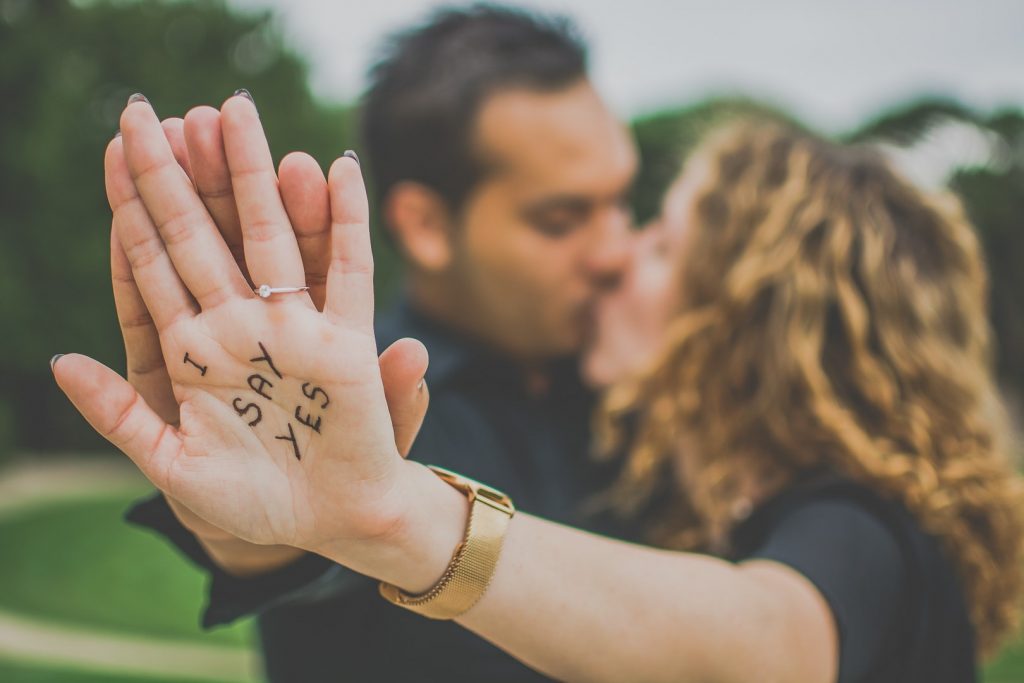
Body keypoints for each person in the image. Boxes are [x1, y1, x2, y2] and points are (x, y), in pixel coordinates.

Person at [56, 94, 1024, 682]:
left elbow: (768, 645)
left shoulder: (870, 530)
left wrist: (397, 513)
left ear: (748, 313)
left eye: (657, 240)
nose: (614, 258)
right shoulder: (700, 502)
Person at [113, 6, 637, 681]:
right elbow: (295, 548)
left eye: (622, 203)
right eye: (562, 219)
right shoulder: (345, 400)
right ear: (425, 225)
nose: (616, 250)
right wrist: (254, 540)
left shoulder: (642, 378)